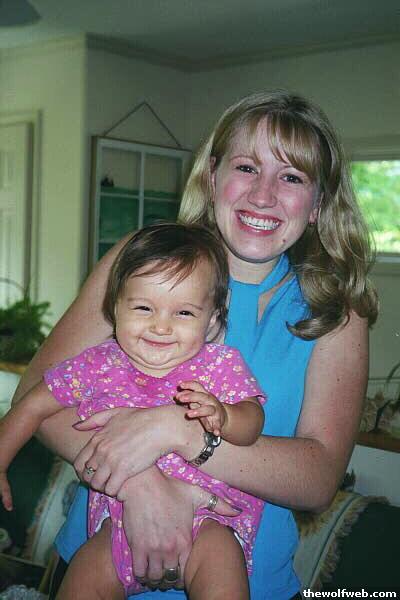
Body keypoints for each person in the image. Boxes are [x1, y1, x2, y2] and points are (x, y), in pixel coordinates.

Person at [12, 90, 378, 600]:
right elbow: (36, 395)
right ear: (212, 175)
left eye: (292, 177)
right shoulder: (141, 261)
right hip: (96, 565)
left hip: (250, 582)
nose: (264, 195)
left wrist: (178, 433)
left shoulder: (338, 311)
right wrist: (139, 482)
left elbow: (318, 479)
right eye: (247, 167)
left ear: (317, 204)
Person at [0, 224, 266, 598]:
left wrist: (225, 415)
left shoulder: (218, 365)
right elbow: (32, 404)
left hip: (209, 524)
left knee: (223, 569)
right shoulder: (96, 364)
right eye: (143, 308)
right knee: (81, 582)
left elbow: (253, 424)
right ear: (114, 308)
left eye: (184, 313)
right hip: (117, 527)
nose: (161, 326)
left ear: (212, 321)